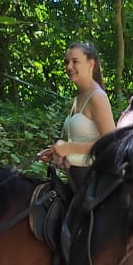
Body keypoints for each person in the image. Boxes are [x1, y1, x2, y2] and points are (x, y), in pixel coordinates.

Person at [38, 41, 115, 186]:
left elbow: (111, 144)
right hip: (75, 179)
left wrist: (68, 148)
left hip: (95, 183)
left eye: (75, 61)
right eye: (67, 62)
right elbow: (78, 142)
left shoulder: (97, 97)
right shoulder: (77, 98)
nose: (69, 67)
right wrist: (54, 152)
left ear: (90, 64)